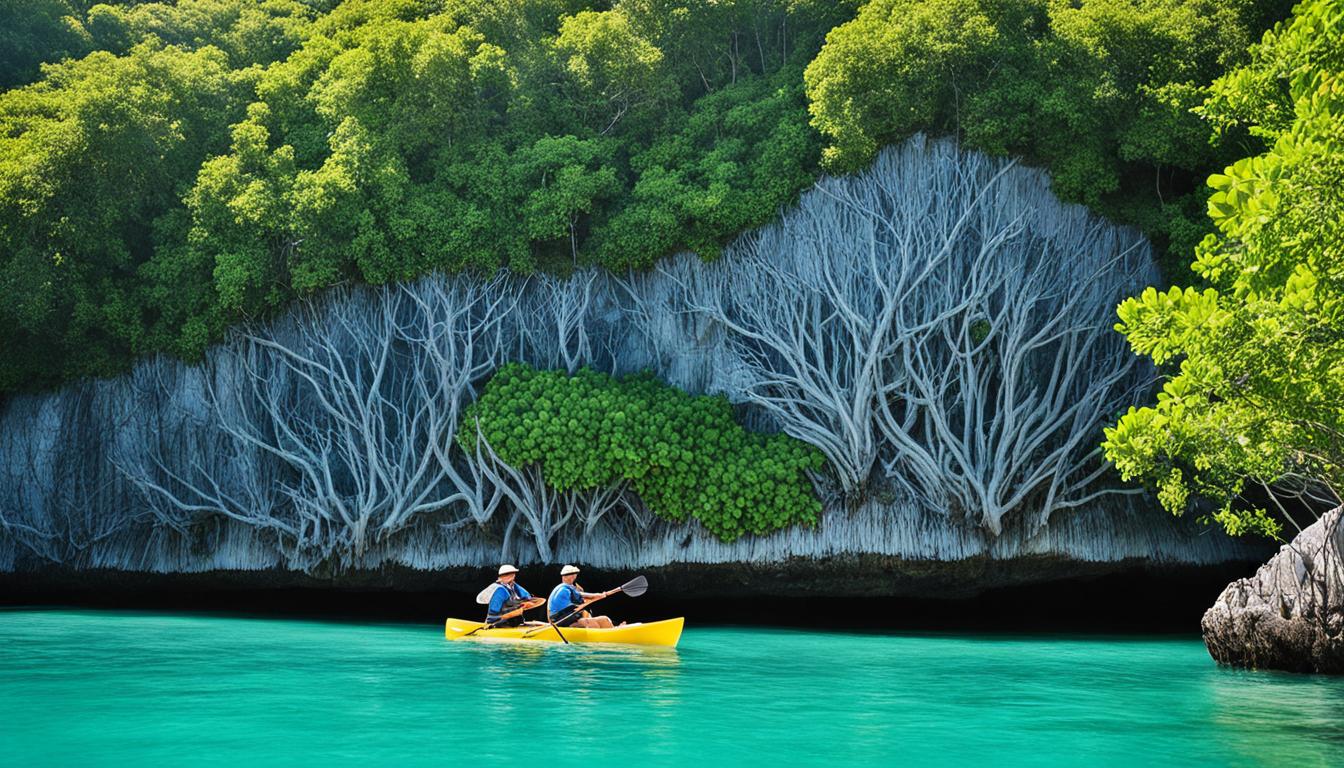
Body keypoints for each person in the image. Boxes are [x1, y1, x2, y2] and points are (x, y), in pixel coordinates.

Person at [547, 565, 618, 628]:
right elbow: (588, 597)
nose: (573, 576)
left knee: (604, 619)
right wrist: (601, 595)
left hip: (557, 619)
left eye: (574, 574)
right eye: (572, 575)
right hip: (560, 620)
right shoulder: (565, 589)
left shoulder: (559, 588)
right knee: (592, 623)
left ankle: (613, 633)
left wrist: (600, 595)